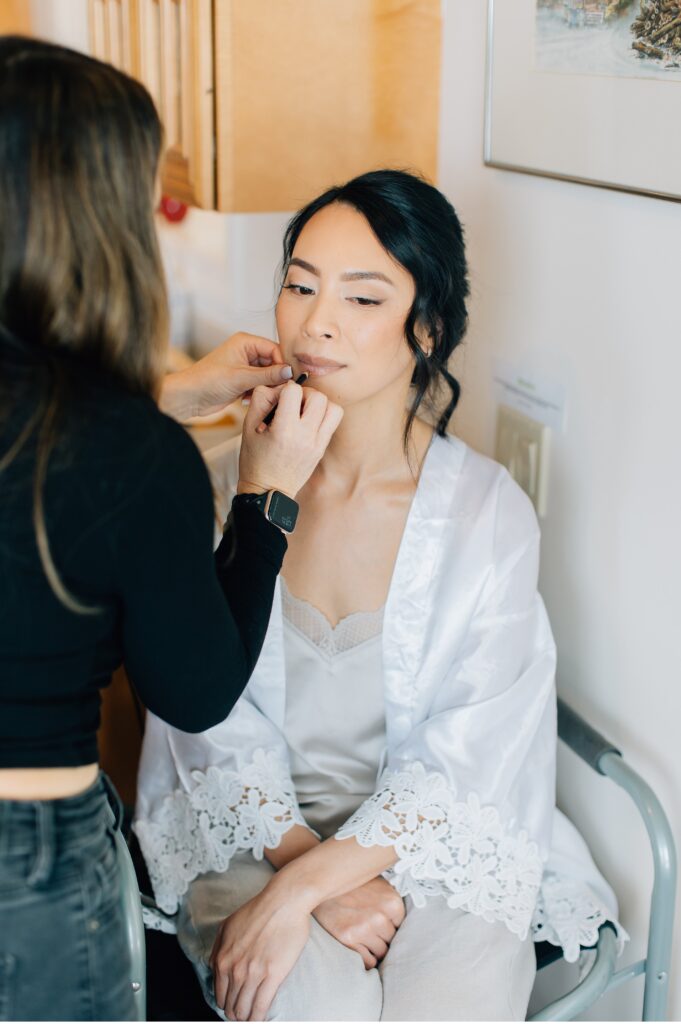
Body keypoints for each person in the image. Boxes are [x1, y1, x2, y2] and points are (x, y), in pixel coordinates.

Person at [136, 170, 624, 1022]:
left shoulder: (485, 515)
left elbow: (474, 749)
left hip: (435, 841)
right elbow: (200, 721)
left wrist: (310, 890)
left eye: (362, 299)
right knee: (306, 1005)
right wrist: (296, 872)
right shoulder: (217, 490)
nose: (315, 322)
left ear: (426, 328)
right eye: (299, 285)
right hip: (249, 831)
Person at [0, 36, 342, 1023]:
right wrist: (265, 495)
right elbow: (194, 691)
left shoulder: (119, 441)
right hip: (29, 860)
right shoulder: (133, 458)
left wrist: (174, 391)